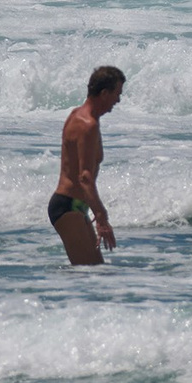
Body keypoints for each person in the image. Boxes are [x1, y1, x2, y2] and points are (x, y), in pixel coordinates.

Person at [47, 65, 124, 266]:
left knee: (95, 273)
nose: (118, 100)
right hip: (67, 206)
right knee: (88, 272)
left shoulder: (77, 115)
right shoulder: (87, 124)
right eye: (117, 94)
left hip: (75, 206)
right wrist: (101, 216)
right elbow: (85, 177)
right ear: (104, 93)